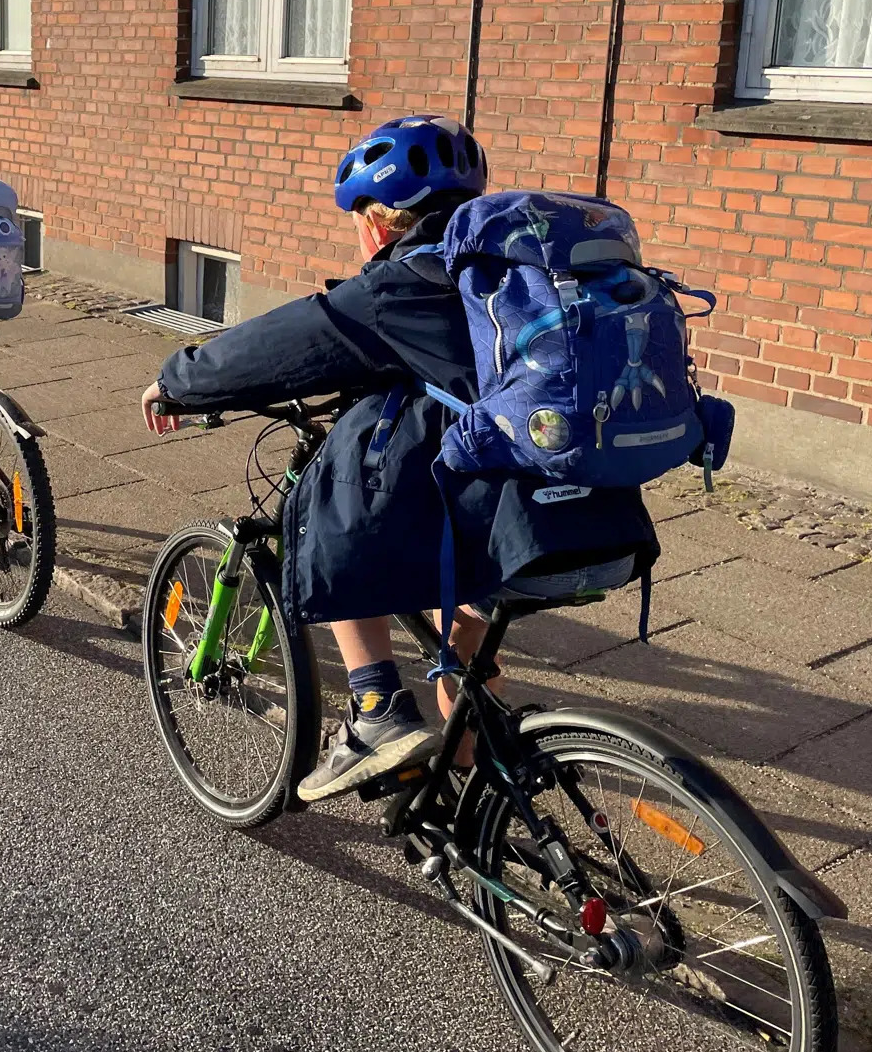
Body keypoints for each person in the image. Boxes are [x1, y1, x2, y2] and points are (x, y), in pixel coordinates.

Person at [140, 116, 657, 803]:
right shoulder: (515, 272)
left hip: (502, 527)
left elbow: (284, 342)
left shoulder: (402, 280)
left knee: (328, 518)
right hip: (596, 520)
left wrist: (177, 380)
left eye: (358, 217)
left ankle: (377, 710)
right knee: (462, 651)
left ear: (379, 221)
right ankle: (489, 808)